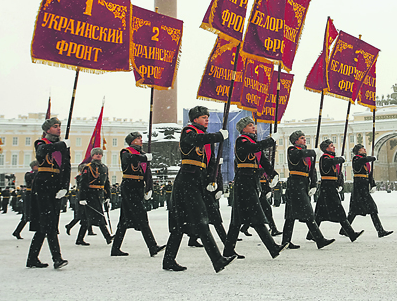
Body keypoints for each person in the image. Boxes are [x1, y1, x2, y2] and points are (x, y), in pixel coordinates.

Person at [162, 106, 236, 272]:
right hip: (187, 181)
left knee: (180, 225)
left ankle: (168, 260)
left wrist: (212, 180)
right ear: (195, 119)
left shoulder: (204, 138)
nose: (207, 120)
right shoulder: (189, 131)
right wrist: (218, 136)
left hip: (196, 181)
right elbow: (196, 140)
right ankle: (217, 260)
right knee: (202, 220)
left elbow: (208, 163)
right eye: (204, 117)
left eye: (208, 117)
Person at [222, 117, 287, 260]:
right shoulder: (242, 141)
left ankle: (228, 251)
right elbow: (254, 148)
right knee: (256, 215)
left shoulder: (253, 142)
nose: (254, 127)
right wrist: (271, 141)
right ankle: (273, 247)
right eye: (250, 125)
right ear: (243, 129)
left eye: (253, 125)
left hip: (251, 180)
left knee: (237, 220)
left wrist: (273, 174)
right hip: (243, 181)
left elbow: (263, 161)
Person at [26, 117, 71, 269]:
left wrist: (65, 186)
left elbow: (66, 168)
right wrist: (62, 144)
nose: (59, 129)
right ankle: (57, 258)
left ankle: (32, 258)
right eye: (55, 126)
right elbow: (42, 152)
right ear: (47, 130)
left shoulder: (62, 147)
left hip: (55, 186)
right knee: (49, 223)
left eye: (59, 126)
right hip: (43, 184)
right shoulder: (41, 143)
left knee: (43, 226)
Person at [111, 132, 165, 257]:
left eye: (141, 138)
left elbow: (147, 173)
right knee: (142, 216)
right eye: (137, 139)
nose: (141, 140)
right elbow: (128, 160)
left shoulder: (142, 154)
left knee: (124, 221)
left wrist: (149, 188)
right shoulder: (126, 151)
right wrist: (143, 158)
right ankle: (152, 246)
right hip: (129, 186)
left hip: (138, 187)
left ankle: (115, 248)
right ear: (131, 141)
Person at [281, 130, 334, 250]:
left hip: (303, 183)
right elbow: (298, 154)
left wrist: (314, 184)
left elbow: (312, 171)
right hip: (295, 183)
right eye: (301, 138)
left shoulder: (308, 154)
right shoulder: (292, 150)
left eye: (304, 138)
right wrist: (311, 152)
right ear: (295, 141)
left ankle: (286, 241)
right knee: (308, 213)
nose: (304, 140)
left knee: (291, 215)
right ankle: (319, 240)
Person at [312, 139, 363, 242]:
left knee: (320, 213)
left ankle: (311, 234)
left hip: (330, 186)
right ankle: (351, 234)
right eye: (331, 145)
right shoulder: (324, 158)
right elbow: (331, 161)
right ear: (326, 148)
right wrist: (340, 159)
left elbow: (337, 173)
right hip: (327, 187)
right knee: (339, 210)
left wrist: (339, 183)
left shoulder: (331, 158)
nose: (334, 147)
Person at [346, 143, 392, 238]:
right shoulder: (356, 159)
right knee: (372, 208)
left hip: (363, 186)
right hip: (359, 187)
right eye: (362, 148)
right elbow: (362, 160)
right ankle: (380, 230)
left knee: (354, 211)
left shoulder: (366, 162)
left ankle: (344, 229)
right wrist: (371, 158)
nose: (364, 149)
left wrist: (373, 184)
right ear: (358, 151)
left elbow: (369, 174)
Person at [76, 148, 113, 246]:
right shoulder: (88, 167)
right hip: (90, 194)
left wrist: (107, 195)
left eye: (100, 154)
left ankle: (79, 239)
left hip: (99, 194)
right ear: (92, 155)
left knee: (85, 218)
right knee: (100, 215)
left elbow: (106, 183)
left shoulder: (104, 167)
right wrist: (82, 197)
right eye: (96, 154)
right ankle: (108, 237)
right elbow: (83, 184)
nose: (98, 155)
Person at [12, 160, 39, 239]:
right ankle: (17, 231)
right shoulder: (29, 174)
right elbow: (32, 178)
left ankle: (17, 231)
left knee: (31, 215)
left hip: (34, 195)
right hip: (30, 195)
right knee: (27, 215)